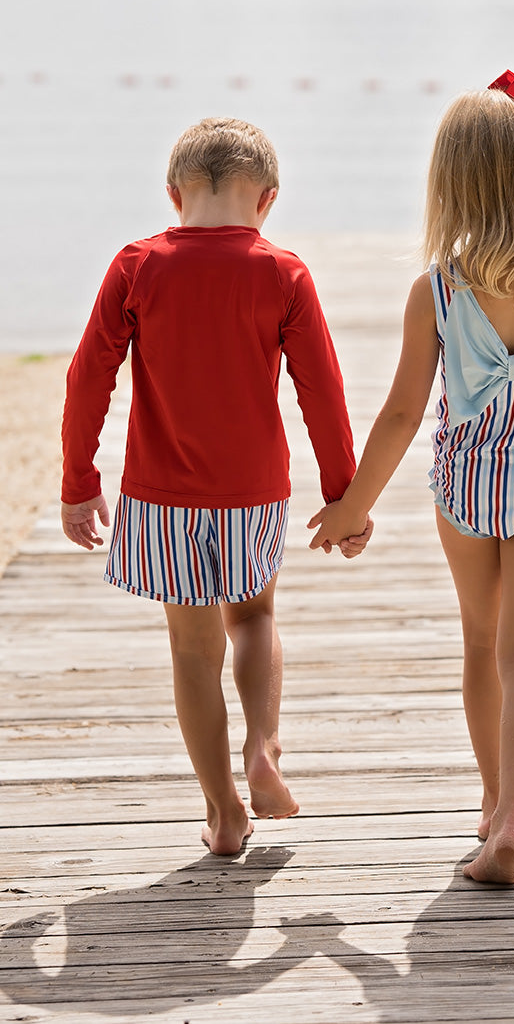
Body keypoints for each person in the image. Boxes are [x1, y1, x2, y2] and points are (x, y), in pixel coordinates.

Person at [309, 72, 514, 884]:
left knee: (481, 643)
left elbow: (403, 414)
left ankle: (487, 806)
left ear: (452, 182)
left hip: (467, 486)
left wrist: (349, 507)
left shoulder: (438, 288)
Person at [61, 117, 362, 855]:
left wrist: (79, 480)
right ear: (267, 199)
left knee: (192, 650)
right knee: (252, 618)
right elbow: (320, 388)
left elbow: (85, 378)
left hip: (160, 496)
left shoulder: (137, 266)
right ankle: (263, 745)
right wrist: (344, 494)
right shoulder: (282, 271)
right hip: (252, 491)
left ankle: (225, 812)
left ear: (173, 195)